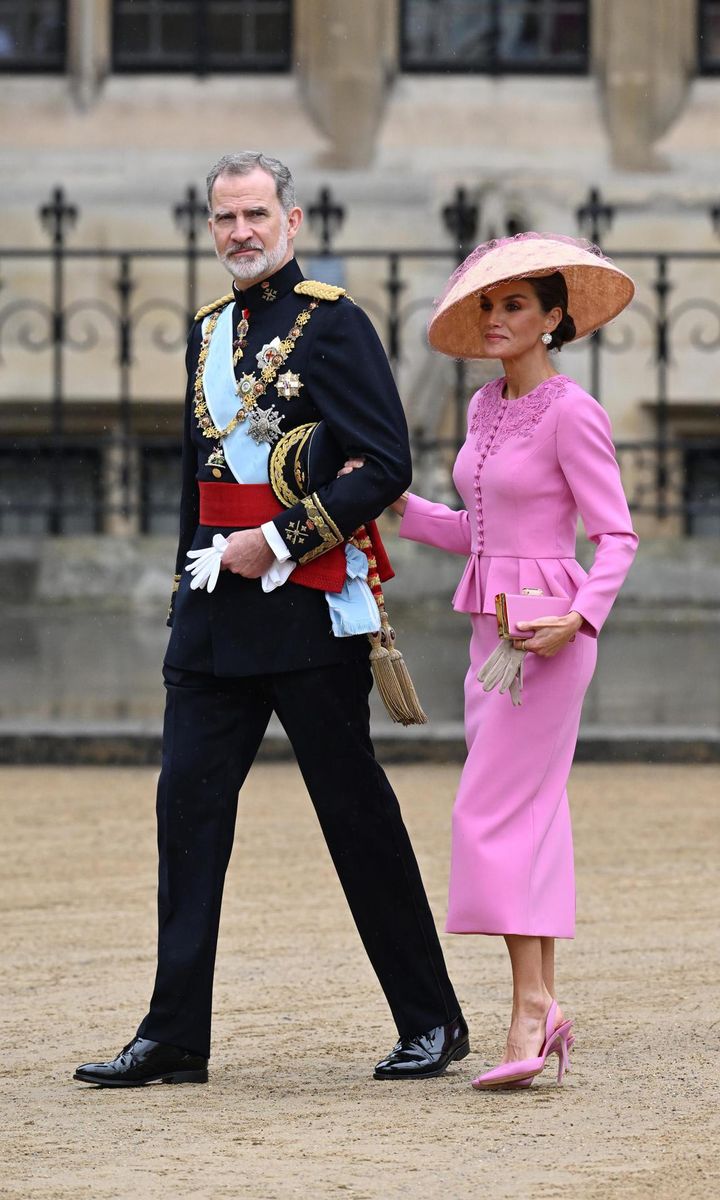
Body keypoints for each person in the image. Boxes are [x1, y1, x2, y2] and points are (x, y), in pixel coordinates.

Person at [73, 152, 467, 1088]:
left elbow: (384, 464)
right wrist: (187, 591)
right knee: (187, 818)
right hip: (211, 622)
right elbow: (195, 486)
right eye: (223, 219)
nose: (240, 233)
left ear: (290, 220)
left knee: (354, 816)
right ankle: (175, 1036)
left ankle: (432, 1021)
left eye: (255, 214)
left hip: (305, 609)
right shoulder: (208, 331)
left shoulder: (335, 326)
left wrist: (280, 541)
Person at [388, 233, 638, 1088]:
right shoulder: (485, 409)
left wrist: (579, 617)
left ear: (554, 319)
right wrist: (399, 506)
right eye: (488, 306)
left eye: (516, 306)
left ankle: (530, 1009)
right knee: (530, 816)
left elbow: (616, 537)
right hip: (489, 634)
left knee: (488, 812)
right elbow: (480, 531)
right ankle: (544, 1005)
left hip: (551, 639)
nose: (496, 319)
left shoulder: (575, 411)